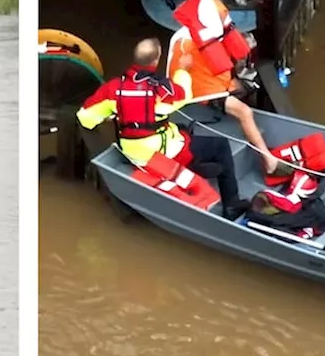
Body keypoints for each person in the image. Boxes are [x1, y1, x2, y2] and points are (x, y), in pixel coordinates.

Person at [77, 38, 248, 220]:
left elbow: (85, 118)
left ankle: (193, 167)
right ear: (156, 60)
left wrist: (114, 114)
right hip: (162, 153)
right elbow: (183, 95)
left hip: (133, 153)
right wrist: (183, 69)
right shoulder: (162, 90)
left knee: (181, 128)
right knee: (220, 145)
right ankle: (231, 204)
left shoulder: (112, 89)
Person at [165, 0, 286, 176]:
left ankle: (252, 132)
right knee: (245, 112)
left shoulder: (206, 32)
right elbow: (178, 79)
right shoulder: (184, 44)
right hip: (200, 90)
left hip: (214, 80)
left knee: (244, 87)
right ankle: (268, 159)